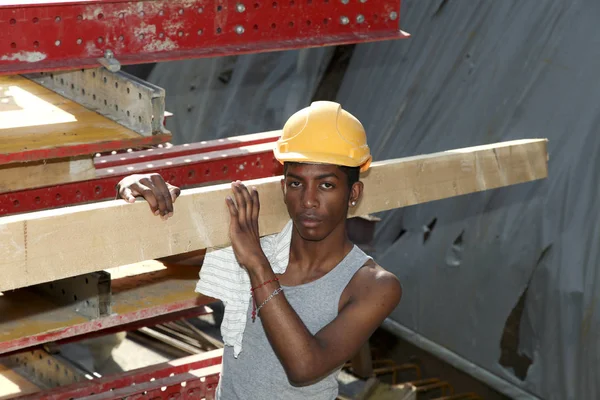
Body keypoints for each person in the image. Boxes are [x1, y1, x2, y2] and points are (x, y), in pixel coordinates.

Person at [116, 101, 402, 399]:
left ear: (353, 193)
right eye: (296, 183)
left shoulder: (373, 285)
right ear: (283, 187)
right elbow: (166, 252)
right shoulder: (262, 243)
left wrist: (257, 264)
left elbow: (305, 367)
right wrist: (137, 196)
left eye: (326, 185)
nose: (308, 200)